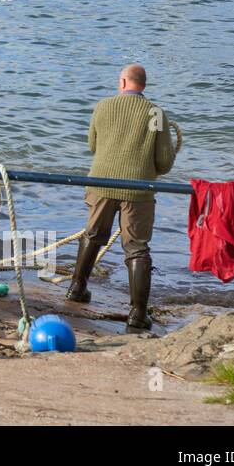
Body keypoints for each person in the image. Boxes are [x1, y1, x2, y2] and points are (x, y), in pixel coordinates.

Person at [66, 64, 181, 334]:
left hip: (101, 182)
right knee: (137, 247)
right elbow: (163, 163)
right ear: (144, 84)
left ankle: (77, 287)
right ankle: (138, 314)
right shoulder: (155, 113)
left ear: (122, 82)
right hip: (138, 189)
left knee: (93, 233)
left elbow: (93, 146)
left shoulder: (102, 107)